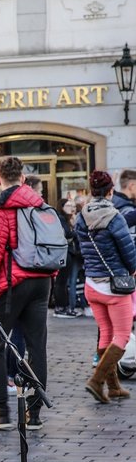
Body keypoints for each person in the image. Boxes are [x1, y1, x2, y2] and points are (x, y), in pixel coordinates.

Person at [0, 156, 52, 431]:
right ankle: (35, 413)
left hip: (11, 283)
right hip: (42, 281)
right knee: (36, 346)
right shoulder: (39, 203)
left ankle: (1, 413)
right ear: (22, 178)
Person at [75, 170, 136, 403]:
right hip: (114, 286)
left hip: (92, 284)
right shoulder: (115, 216)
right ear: (110, 191)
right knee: (121, 336)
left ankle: (113, 387)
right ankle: (96, 381)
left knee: (106, 335)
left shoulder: (81, 216)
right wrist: (131, 269)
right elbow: (128, 252)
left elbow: (81, 249)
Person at [53, 198, 83, 318]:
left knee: (64, 281)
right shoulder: (60, 218)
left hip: (69, 252)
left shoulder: (67, 219)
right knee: (61, 281)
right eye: (68, 205)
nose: (71, 207)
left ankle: (64, 307)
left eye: (72, 205)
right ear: (62, 207)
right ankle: (61, 307)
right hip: (64, 253)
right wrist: (75, 232)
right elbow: (67, 234)